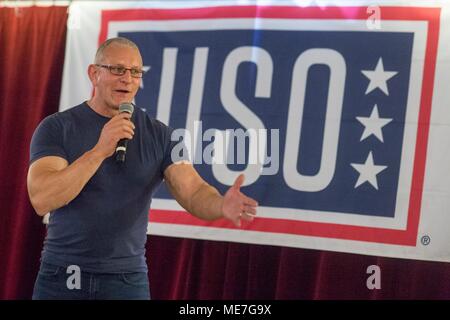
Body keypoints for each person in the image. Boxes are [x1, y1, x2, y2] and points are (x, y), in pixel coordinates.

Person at [27, 37, 258, 300]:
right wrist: (99, 151)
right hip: (62, 276)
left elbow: (193, 190)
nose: (127, 78)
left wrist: (221, 205)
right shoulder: (56, 127)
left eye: (135, 72)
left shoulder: (163, 135)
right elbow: (42, 198)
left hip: (125, 280)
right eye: (117, 69)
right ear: (94, 74)